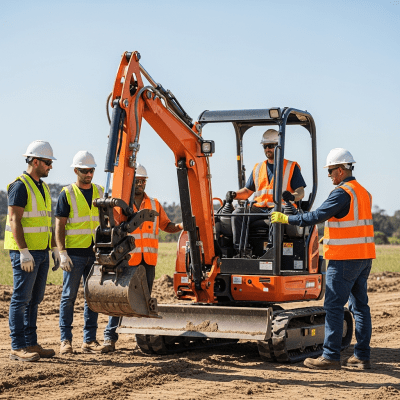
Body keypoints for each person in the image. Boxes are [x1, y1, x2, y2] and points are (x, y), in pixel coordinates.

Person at [271, 148, 375, 370]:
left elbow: (316, 216)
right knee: (360, 307)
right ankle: (362, 357)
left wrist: (286, 218)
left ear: (339, 170)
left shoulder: (341, 193)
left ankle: (330, 357)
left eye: (330, 171)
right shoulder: (363, 192)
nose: (329, 176)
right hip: (364, 258)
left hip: (344, 259)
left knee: (333, 306)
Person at [103, 163, 183, 352]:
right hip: (127, 260)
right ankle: (109, 338)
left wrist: (181, 226)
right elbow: (112, 226)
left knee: (144, 301)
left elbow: (166, 225)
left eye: (143, 181)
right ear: (130, 182)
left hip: (148, 262)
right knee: (120, 299)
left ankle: (143, 338)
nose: (140, 184)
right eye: (137, 181)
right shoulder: (121, 205)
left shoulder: (154, 204)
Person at [4, 140, 59, 362]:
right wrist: (23, 251)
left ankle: (31, 343)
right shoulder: (19, 186)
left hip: (41, 252)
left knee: (34, 299)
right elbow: (15, 219)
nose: (50, 167)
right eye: (47, 162)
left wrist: (54, 248)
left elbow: (46, 222)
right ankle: (17, 347)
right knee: (21, 299)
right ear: (34, 161)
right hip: (25, 254)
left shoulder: (43, 187)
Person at [55, 151, 108, 355]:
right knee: (68, 297)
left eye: (92, 170)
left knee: (91, 297)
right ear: (76, 170)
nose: (89, 174)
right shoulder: (66, 194)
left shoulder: (100, 191)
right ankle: (65, 341)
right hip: (74, 254)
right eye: (85, 170)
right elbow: (59, 226)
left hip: (95, 253)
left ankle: (89, 340)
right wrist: (62, 253)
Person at [226, 129, 306, 250]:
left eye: (270, 146)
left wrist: (292, 196)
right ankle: (241, 249)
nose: (267, 149)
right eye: (265, 146)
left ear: (279, 146)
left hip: (280, 207)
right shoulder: (258, 167)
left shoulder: (291, 166)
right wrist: (233, 194)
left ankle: (272, 250)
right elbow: (247, 192)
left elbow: (301, 192)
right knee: (237, 214)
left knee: (276, 215)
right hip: (258, 208)